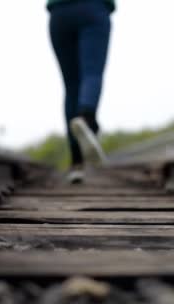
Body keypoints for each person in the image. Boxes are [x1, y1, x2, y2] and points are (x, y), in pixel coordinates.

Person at [47, 0, 114, 184]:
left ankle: (77, 164)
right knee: (91, 73)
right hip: (93, 8)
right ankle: (86, 118)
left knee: (71, 86)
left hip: (59, 13)